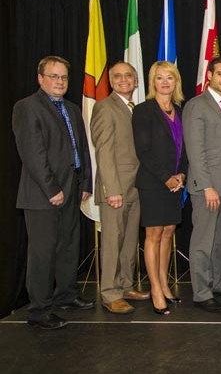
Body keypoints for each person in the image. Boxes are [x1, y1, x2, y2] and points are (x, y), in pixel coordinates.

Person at [13, 55, 95, 330]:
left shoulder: (71, 109)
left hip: (72, 188)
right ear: (40, 78)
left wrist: (85, 183)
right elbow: (32, 154)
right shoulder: (27, 107)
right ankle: (39, 310)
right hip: (42, 194)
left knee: (68, 247)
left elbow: (80, 149)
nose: (60, 82)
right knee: (43, 253)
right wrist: (51, 189)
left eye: (63, 77)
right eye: (54, 76)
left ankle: (66, 295)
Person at [183, 57, 221, 314]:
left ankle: (216, 284)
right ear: (209, 75)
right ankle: (201, 293)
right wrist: (207, 186)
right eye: (220, 74)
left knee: (220, 242)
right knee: (203, 242)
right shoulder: (197, 105)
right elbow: (195, 151)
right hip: (208, 188)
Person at [91, 61, 150, 314]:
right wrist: (111, 189)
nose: (124, 80)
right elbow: (103, 151)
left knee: (129, 241)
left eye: (129, 75)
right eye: (118, 76)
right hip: (115, 188)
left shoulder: (134, 108)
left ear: (136, 80)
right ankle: (110, 293)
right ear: (111, 81)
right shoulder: (105, 107)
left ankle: (125, 285)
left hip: (136, 187)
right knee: (113, 242)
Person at [132, 61, 188, 315]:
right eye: (159, 78)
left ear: (176, 82)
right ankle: (154, 289)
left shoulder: (180, 109)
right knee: (153, 235)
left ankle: (165, 285)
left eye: (170, 78)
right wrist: (167, 177)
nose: (165, 82)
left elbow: (184, 150)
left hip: (175, 184)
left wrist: (182, 175)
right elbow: (143, 150)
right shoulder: (143, 111)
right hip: (153, 183)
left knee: (168, 233)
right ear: (152, 82)